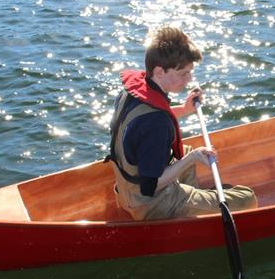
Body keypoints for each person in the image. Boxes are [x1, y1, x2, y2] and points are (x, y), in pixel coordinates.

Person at [107, 26, 257, 220]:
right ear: (159, 71)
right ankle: (186, 209)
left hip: (127, 191)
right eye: (183, 73)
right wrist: (192, 158)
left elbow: (143, 127)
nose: (189, 79)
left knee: (184, 151)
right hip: (150, 204)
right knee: (247, 198)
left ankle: (193, 209)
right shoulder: (157, 123)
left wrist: (185, 110)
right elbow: (150, 185)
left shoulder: (132, 91)